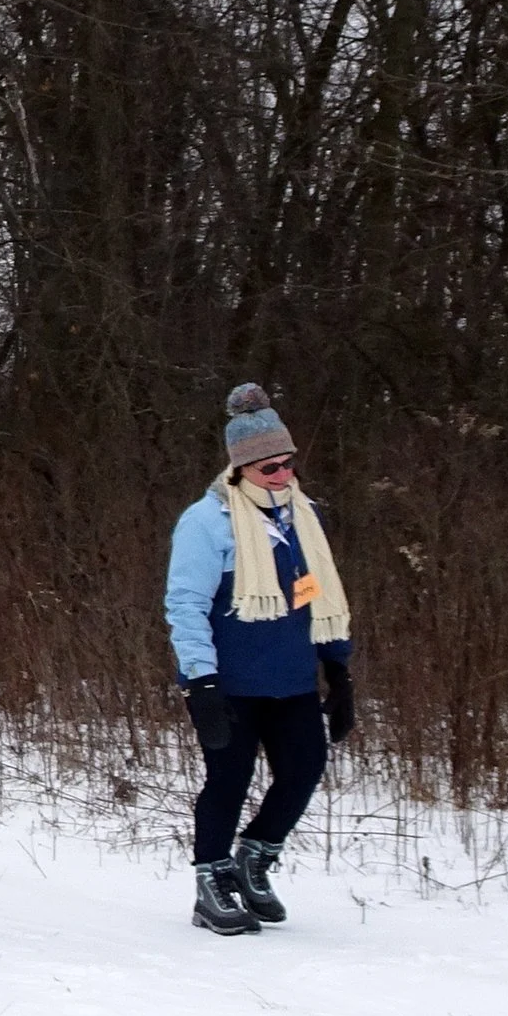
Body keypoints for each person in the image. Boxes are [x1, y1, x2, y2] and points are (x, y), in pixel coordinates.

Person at [164, 383, 355, 935]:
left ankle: (255, 858)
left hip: (292, 679)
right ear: (241, 466)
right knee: (229, 778)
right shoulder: (207, 523)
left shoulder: (303, 520)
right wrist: (199, 682)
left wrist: (337, 668)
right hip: (231, 682)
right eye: (268, 467)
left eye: (287, 463)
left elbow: (314, 593)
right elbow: (186, 604)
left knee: (303, 769)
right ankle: (212, 880)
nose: (281, 475)